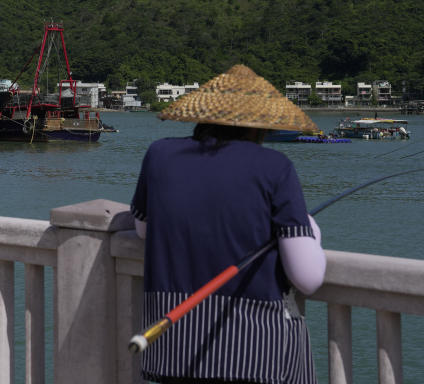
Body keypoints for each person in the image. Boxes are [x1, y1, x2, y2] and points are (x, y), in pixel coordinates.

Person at [130, 64, 326, 384]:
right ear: (261, 127)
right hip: (257, 352)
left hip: (173, 347)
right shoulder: (275, 167)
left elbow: (143, 228)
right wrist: (309, 229)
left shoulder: (159, 154)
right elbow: (308, 278)